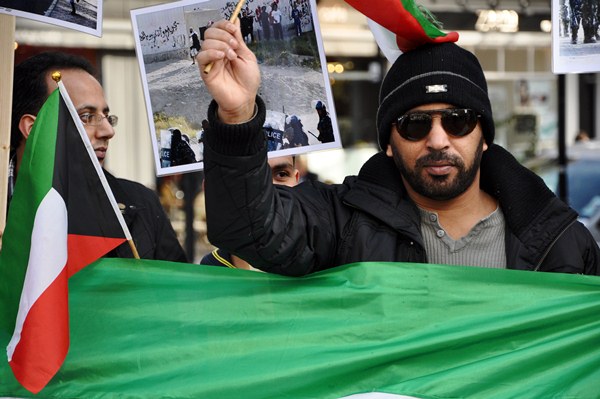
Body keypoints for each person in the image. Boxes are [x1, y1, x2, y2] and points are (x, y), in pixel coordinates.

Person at [197, 20, 600, 276]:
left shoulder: (562, 245)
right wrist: (237, 115)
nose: (438, 140)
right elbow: (247, 229)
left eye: (458, 121)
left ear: (485, 134)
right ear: (389, 142)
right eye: (415, 125)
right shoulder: (343, 225)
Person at [10, 51, 188, 262]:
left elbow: (178, 292)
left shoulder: (141, 205)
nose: (107, 131)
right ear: (32, 128)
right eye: (86, 117)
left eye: (106, 117)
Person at [200, 155, 299, 270]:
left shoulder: (320, 256)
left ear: (296, 179)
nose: (268, 188)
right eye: (250, 175)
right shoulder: (213, 269)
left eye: (282, 174)